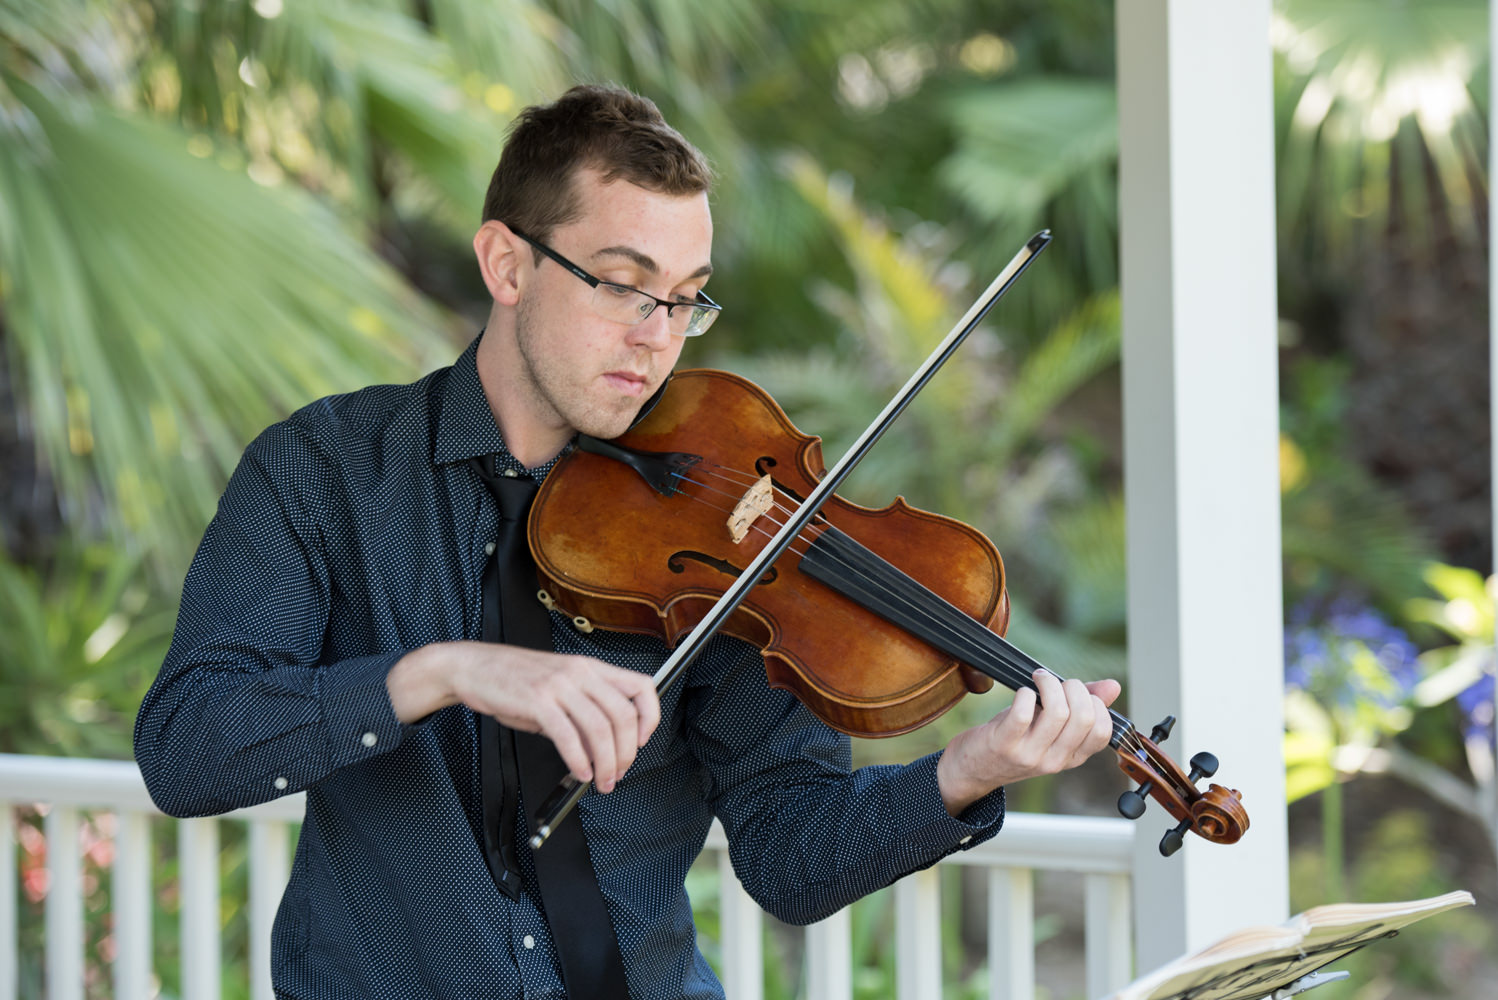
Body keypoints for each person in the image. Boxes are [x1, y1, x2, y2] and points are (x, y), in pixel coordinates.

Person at [134, 84, 1120, 1000]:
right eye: (621, 284)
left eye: (687, 296)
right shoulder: (325, 472)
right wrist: (443, 672)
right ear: (506, 263)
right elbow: (186, 749)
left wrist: (968, 771)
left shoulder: (725, 522)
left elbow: (789, 854)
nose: (658, 335)